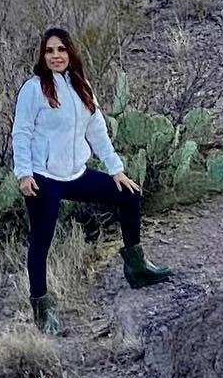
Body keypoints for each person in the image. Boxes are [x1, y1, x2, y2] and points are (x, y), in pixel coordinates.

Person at [12, 26, 172, 335]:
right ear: (42, 56)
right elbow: (22, 132)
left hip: (77, 174)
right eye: (49, 51)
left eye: (61, 50)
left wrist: (116, 169)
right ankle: (42, 311)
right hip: (44, 178)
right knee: (41, 241)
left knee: (128, 195)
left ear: (70, 52)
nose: (56, 56)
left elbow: (97, 131)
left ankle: (137, 267)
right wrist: (24, 173)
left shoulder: (81, 86)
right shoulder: (33, 89)